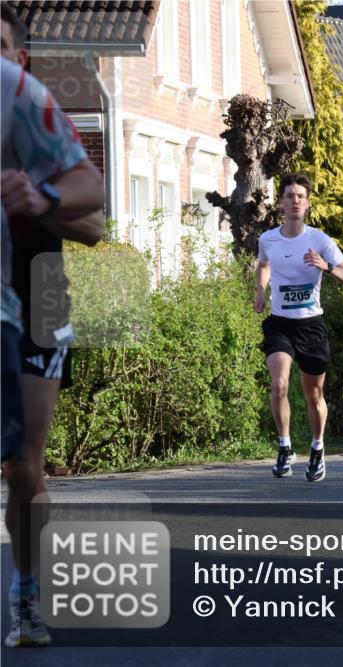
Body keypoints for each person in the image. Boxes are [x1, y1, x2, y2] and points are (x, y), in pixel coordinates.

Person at [1, 29, 106, 646]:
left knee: (22, 465)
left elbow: (93, 221)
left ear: (20, 58)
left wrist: (38, 200)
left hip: (38, 298)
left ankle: (25, 593)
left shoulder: (40, 124)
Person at [255, 173, 343, 482]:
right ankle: (285, 447)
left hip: (311, 325)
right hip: (280, 324)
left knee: (314, 395)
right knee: (279, 384)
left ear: (307, 204)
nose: (295, 200)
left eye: (300, 196)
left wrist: (326, 266)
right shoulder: (268, 239)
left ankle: (317, 447)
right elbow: (264, 264)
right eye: (289, 195)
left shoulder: (320, 240)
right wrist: (260, 291)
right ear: (281, 203)